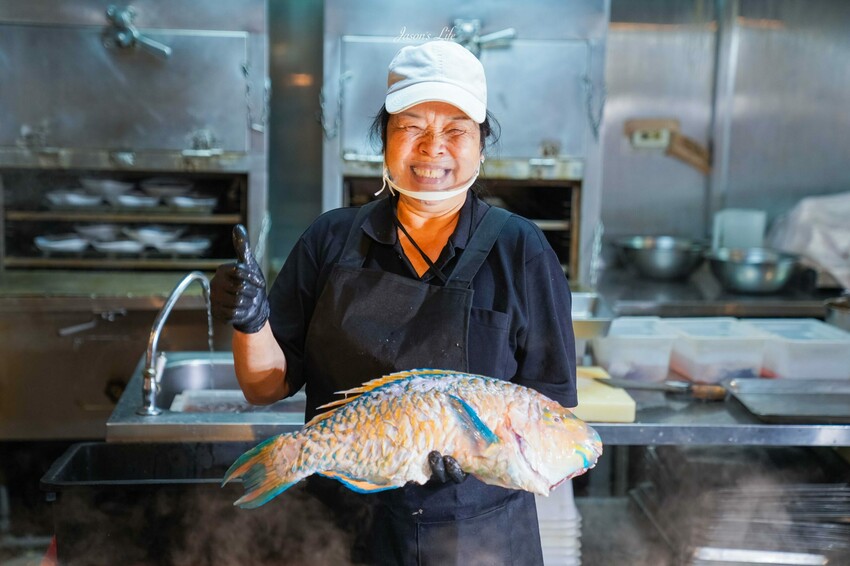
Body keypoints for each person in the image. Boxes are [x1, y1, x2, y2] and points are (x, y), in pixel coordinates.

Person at [211, 39, 577, 565]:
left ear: (480, 145)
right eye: (412, 128)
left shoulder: (522, 251)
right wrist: (249, 322)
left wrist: (482, 458)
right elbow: (265, 385)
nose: (433, 149)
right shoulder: (330, 240)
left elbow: (548, 414)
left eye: (455, 131)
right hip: (341, 530)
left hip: (479, 540)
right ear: (384, 138)